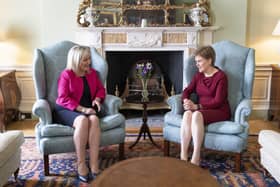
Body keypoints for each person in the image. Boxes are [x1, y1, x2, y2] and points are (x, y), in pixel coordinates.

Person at [54, 45, 105, 183]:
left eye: (89, 59)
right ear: (76, 60)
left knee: (94, 119)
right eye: (84, 60)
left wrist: (97, 99)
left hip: (88, 109)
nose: (88, 62)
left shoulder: (92, 73)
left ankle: (94, 165)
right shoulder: (67, 75)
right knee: (83, 120)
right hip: (67, 109)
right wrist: (83, 109)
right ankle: (81, 164)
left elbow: (101, 89)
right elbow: (62, 98)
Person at [180, 46, 231, 166]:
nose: (197, 64)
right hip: (202, 109)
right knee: (187, 113)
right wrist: (186, 101)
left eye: (199, 61)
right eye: (196, 61)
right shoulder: (199, 76)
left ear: (209, 60)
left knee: (196, 114)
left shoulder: (221, 77)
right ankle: (183, 155)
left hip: (219, 110)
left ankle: (196, 156)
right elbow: (187, 90)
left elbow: (218, 101)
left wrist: (197, 106)